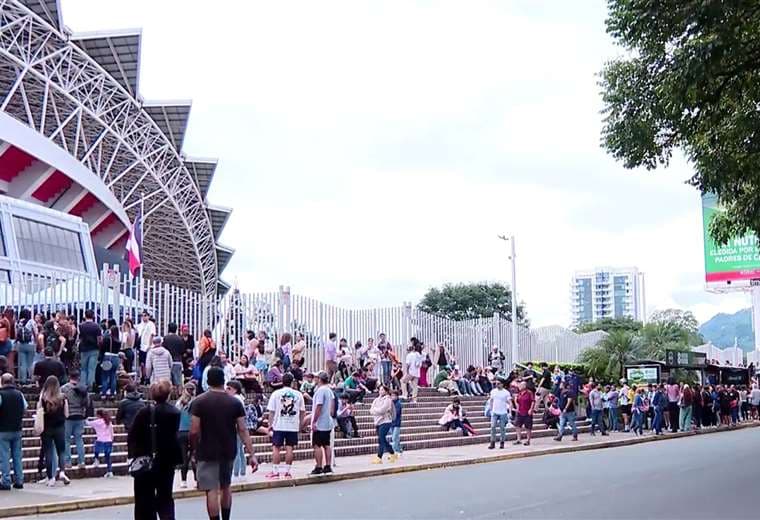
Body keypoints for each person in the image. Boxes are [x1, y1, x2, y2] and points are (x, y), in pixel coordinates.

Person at [192, 366, 259, 520]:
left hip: (206, 450)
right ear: (223, 381)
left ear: (208, 381)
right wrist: (252, 454)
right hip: (228, 449)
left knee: (211, 489)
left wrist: (194, 449)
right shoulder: (235, 403)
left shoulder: (199, 402)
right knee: (226, 486)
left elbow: (194, 430)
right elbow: (243, 429)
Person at [129, 380, 181, 519]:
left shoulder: (144, 412)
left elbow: (133, 434)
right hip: (167, 460)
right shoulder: (175, 413)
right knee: (165, 495)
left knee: (144, 498)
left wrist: (133, 454)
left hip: (146, 458)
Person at [38, 375, 70, 486]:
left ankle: (50, 477)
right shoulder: (63, 398)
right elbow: (67, 414)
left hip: (47, 428)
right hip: (60, 427)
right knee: (61, 451)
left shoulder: (43, 398)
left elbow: (39, 410)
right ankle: (62, 472)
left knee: (48, 452)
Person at [0, 373, 26, 490]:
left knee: (4, 456)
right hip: (17, 429)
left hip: (3, 430)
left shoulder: (1, 394)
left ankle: (6, 481)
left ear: (2, 382)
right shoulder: (19, 394)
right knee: (17, 456)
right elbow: (24, 408)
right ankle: (19, 480)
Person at [61, 370, 90, 470]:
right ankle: (81, 461)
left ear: (69, 376)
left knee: (66, 440)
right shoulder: (83, 388)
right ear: (78, 377)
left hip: (68, 416)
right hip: (80, 415)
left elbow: (61, 401)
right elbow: (87, 403)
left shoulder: (64, 388)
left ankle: (68, 462)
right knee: (79, 439)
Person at [310, 371, 335, 475]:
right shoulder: (329, 391)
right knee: (326, 444)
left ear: (320, 379)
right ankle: (328, 465)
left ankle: (319, 466)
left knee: (317, 445)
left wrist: (314, 421)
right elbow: (332, 406)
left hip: (320, 422)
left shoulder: (320, 391)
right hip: (327, 421)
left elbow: (319, 406)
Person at [225, 381, 248, 481]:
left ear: (235, 390)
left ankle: (236, 473)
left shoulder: (235, 399)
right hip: (239, 426)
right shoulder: (240, 398)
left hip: (235, 426)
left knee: (236, 450)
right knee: (240, 450)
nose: (226, 390)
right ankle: (242, 472)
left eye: (229, 388)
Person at [175, 382, 196, 488]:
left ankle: (183, 480)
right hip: (193, 431)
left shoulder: (179, 403)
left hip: (181, 431)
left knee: (184, 457)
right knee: (194, 456)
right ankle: (196, 480)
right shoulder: (196, 402)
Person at [370, 385, 396, 463]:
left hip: (386, 421)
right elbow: (371, 410)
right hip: (377, 422)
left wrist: (375, 410)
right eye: (380, 390)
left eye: (382, 390)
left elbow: (382, 410)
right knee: (382, 439)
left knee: (381, 439)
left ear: (386, 391)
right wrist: (376, 411)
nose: (380, 391)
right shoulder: (376, 400)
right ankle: (392, 453)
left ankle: (379, 457)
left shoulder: (388, 400)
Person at [77, 310, 102, 390]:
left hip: (84, 349)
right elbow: (99, 339)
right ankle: (90, 386)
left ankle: (82, 386)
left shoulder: (81, 326)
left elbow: (80, 338)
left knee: (83, 369)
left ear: (85, 316)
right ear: (93, 316)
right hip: (94, 349)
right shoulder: (97, 326)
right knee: (91, 369)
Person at [87, 409, 114, 477]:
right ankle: (110, 471)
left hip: (100, 440)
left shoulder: (98, 422)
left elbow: (88, 423)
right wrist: (112, 440)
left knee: (96, 451)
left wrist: (85, 418)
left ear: (98, 415)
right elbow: (112, 432)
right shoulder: (108, 422)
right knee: (108, 457)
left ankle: (96, 460)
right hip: (108, 441)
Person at [487, 379, 511, 449]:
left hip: (503, 412)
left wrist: (509, 412)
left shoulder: (506, 392)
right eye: (496, 383)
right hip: (495, 411)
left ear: (502, 384)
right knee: (493, 427)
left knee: (502, 428)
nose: (497, 385)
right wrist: (491, 409)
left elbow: (509, 402)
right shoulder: (493, 391)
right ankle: (492, 442)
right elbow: (491, 400)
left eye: (498, 383)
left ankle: (502, 442)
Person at [14, 309, 36, 385]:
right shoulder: (31, 321)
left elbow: (16, 335)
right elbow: (35, 333)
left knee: (22, 363)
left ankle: (23, 380)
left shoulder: (17, 322)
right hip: (30, 344)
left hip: (21, 344)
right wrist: (36, 342)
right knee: (30, 363)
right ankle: (30, 379)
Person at [100, 325, 121, 399]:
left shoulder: (107, 339)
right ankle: (112, 393)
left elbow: (102, 348)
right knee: (113, 376)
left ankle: (104, 393)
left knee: (105, 376)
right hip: (116, 358)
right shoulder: (118, 341)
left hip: (108, 357)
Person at [162, 323, 186, 388]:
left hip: (167, 363)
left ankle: (170, 394)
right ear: (176, 329)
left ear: (168, 329)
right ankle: (179, 393)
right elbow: (183, 351)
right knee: (178, 382)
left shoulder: (166, 338)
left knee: (168, 383)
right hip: (178, 361)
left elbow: (164, 350)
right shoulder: (180, 339)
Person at [135, 312, 157, 383]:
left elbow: (152, 335)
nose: (144, 317)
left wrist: (149, 345)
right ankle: (143, 377)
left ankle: (147, 378)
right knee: (142, 363)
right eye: (142, 316)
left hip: (148, 347)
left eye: (145, 316)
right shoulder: (141, 325)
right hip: (141, 346)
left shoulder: (151, 324)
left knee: (148, 363)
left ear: (148, 316)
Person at [514, 381, 536, 446]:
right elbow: (517, 401)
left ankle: (528, 440)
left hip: (527, 411)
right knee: (517, 425)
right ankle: (518, 439)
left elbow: (533, 401)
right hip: (520, 411)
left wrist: (531, 409)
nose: (519, 386)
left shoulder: (529, 393)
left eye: (521, 385)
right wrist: (516, 406)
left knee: (528, 426)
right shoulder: (519, 393)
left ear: (524, 386)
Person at [389, 389, 403, 453]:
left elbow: (396, 413)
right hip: (391, 423)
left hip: (397, 423)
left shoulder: (398, 404)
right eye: (391, 396)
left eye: (394, 396)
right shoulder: (391, 403)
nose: (392, 397)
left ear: (397, 396)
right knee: (396, 438)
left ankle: (393, 452)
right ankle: (399, 449)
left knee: (394, 438)